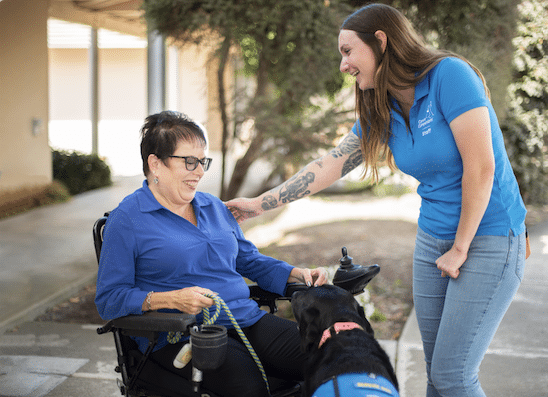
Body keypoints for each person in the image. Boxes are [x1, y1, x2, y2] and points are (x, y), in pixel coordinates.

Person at [225, 4, 527, 397]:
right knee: (438, 374)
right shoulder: (382, 105)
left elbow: (481, 167)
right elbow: (330, 165)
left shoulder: (449, 76)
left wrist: (460, 247)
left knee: (454, 375)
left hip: (486, 236)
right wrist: (258, 204)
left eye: (348, 51)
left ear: (381, 41)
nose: (343, 65)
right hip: (434, 238)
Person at [95, 110, 327, 397]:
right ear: (156, 163)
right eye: (189, 162)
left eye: (202, 161)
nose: (200, 172)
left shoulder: (213, 206)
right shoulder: (128, 219)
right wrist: (171, 299)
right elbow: (109, 300)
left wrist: (295, 273)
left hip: (244, 319)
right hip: (179, 334)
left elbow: (247, 260)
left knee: (328, 355)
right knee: (248, 385)